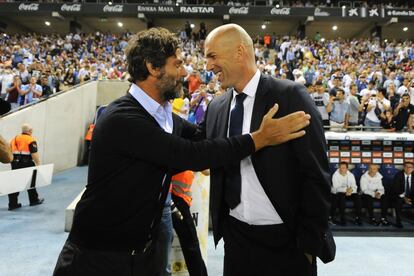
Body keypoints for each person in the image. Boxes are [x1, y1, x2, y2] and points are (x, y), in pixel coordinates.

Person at [53, 27, 311, 276]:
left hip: (140, 254)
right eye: (177, 64)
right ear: (152, 68)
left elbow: (202, 137)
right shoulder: (123, 118)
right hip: (98, 257)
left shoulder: (162, 116)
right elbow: (189, 155)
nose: (185, 71)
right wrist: (259, 139)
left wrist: (235, 113)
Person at [203, 24, 335, 276]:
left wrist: (308, 244)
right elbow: (201, 149)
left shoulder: (290, 96)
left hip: (288, 243)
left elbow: (316, 174)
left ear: (239, 52)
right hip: (236, 239)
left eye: (212, 56)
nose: (208, 66)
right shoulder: (216, 107)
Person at [8, 123, 44, 210]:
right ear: (30, 131)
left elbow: (9, 150)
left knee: (15, 183)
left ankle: (13, 204)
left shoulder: (14, 139)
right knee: (31, 182)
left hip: (15, 163)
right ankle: (34, 200)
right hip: (27, 163)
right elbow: (34, 154)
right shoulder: (30, 140)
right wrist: (38, 164)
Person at [391, 162, 414, 228]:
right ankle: (398, 221)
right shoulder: (398, 175)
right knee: (398, 201)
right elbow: (396, 189)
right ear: (404, 168)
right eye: (406, 167)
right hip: (400, 195)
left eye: (410, 167)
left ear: (413, 169)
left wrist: (411, 198)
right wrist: (404, 198)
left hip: (411, 195)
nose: (408, 168)